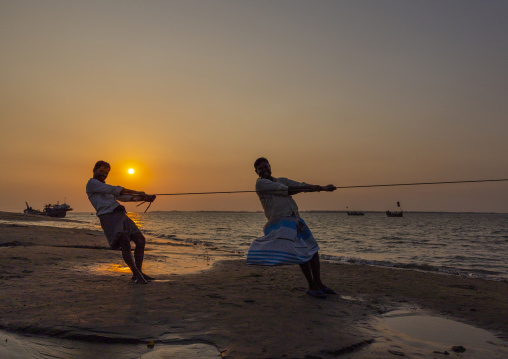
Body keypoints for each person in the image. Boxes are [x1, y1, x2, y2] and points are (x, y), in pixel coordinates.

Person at [247, 157, 337, 299]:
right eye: (261, 168)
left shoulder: (280, 179)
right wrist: (317, 188)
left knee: (313, 249)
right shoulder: (261, 184)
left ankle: (319, 283)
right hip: (281, 221)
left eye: (266, 167)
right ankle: (312, 286)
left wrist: (323, 188)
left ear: (270, 167)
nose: (264, 170)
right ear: (256, 172)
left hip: (295, 217)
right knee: (302, 252)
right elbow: (288, 190)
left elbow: (300, 185)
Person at [86, 160, 156, 284]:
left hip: (121, 215)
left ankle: (138, 272)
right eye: (101, 171)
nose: (104, 175)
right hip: (108, 217)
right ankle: (136, 274)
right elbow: (115, 190)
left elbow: (122, 197)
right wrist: (137, 192)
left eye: (106, 173)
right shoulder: (92, 184)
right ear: (94, 170)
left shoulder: (105, 188)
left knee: (140, 240)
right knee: (125, 243)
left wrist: (144, 198)